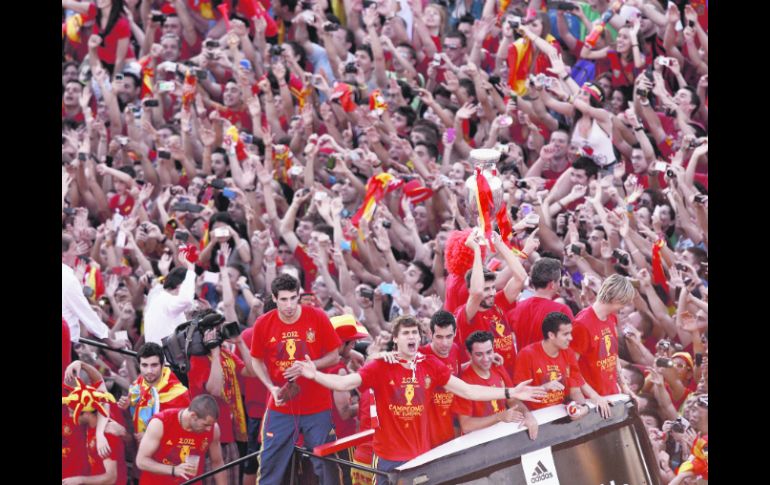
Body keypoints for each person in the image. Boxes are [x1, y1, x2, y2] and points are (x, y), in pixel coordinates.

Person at [286, 315, 547, 476]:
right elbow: (344, 384)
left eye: (415, 333)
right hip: (388, 457)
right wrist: (314, 375)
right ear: (396, 340)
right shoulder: (380, 366)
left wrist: (509, 391)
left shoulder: (430, 365)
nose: (412, 337)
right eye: (406, 333)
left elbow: (468, 390)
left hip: (422, 455)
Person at [249, 274, 343, 485]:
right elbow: (256, 361)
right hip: (281, 405)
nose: (290, 305)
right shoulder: (263, 323)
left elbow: (335, 355)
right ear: (274, 298)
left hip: (317, 405)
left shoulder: (317, 316)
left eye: (294, 298)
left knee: (326, 465)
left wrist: (310, 367)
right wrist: (271, 388)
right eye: (284, 299)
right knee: (269, 464)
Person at [514, 312, 611, 418]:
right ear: (551, 335)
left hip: (562, 415)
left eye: (570, 333)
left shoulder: (568, 353)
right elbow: (517, 395)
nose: (571, 338)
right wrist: (544, 388)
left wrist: (583, 407)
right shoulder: (527, 355)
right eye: (565, 334)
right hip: (538, 418)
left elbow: (575, 390)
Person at [452, 331, 538, 438]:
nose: (486, 359)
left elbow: (512, 400)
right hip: (478, 442)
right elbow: (466, 425)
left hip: (502, 434)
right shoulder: (464, 381)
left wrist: (528, 415)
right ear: (469, 354)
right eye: (479, 354)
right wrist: (499, 417)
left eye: (489, 352)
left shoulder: (497, 366)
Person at [136, 394, 227, 484]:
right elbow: (141, 461)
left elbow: (217, 463)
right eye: (205, 425)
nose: (209, 429)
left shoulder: (213, 429)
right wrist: (173, 470)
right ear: (193, 415)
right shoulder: (161, 423)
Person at [571, 274, 635, 396]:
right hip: (591, 399)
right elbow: (571, 367)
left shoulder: (612, 317)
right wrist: (594, 397)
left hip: (611, 393)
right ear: (617, 300)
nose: (623, 307)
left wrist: (624, 386)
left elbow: (613, 354)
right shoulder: (581, 324)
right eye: (625, 303)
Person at [117, 342, 191, 442]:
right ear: (139, 365)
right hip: (142, 449)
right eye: (144, 365)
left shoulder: (180, 394)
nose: (149, 371)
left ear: (163, 364)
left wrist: (151, 436)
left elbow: (184, 431)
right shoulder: (139, 383)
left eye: (154, 365)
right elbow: (135, 408)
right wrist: (127, 405)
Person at [62, 378, 128, 485]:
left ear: (87, 413)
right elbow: (103, 403)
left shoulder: (108, 433)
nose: (71, 416)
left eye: (73, 412)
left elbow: (111, 478)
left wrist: (80, 480)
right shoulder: (92, 426)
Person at [509, 257, 574, 350]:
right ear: (552, 284)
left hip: (522, 362)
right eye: (559, 280)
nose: (560, 284)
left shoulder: (516, 308)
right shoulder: (561, 310)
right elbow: (573, 344)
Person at [419, 310, 462, 447]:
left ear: (455, 333)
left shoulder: (455, 349)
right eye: (439, 337)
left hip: (452, 430)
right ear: (430, 334)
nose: (445, 343)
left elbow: (458, 379)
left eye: (449, 336)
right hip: (428, 438)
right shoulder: (420, 356)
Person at [143, 252, 196, 345]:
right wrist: (191, 271)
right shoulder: (166, 300)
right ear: (181, 286)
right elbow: (187, 299)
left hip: (162, 355)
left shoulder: (160, 299)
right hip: (166, 357)